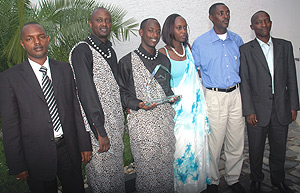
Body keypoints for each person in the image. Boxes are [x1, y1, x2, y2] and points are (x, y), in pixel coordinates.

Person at [0, 22, 92, 193]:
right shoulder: (10, 78)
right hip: (36, 154)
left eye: (41, 37)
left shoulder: (64, 69)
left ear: (47, 39)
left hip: (68, 148)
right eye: (30, 39)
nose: (37, 42)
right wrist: (17, 163)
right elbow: (10, 125)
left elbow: (75, 108)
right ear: (23, 44)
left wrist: (84, 144)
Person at [240, 11, 299, 193]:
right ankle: (256, 179)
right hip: (257, 110)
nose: (263, 25)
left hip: (281, 108)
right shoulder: (245, 50)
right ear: (252, 27)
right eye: (258, 22)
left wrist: (294, 105)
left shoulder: (285, 46)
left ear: (270, 23)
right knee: (256, 149)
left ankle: (278, 179)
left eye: (266, 21)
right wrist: (249, 110)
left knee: (279, 147)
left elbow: (292, 78)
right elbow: (245, 82)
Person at [69, 7, 125, 192]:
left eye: (107, 20)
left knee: (115, 180)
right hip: (98, 132)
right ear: (90, 23)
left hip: (115, 128)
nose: (104, 24)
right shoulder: (82, 51)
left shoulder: (110, 51)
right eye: (99, 20)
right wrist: (99, 131)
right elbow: (86, 93)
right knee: (102, 181)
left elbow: (113, 88)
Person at [191, 3, 246, 193]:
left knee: (236, 141)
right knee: (214, 143)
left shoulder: (237, 40)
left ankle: (233, 178)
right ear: (211, 17)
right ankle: (212, 181)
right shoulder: (201, 43)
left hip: (236, 95)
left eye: (227, 13)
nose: (225, 16)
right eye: (221, 13)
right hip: (214, 97)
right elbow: (192, 70)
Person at [118, 18, 177, 192]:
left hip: (165, 122)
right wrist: (138, 104)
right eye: (151, 31)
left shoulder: (164, 60)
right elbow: (121, 92)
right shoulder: (126, 62)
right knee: (148, 171)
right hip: (142, 124)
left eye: (158, 31)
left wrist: (171, 96)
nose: (155, 35)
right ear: (141, 32)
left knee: (166, 167)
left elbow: (166, 88)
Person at [159, 13, 211, 192]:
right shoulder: (163, 53)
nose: (183, 31)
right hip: (178, 115)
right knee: (182, 152)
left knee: (197, 149)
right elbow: (161, 86)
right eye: (179, 27)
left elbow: (195, 77)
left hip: (195, 113)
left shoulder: (187, 48)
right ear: (170, 30)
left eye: (185, 27)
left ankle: (197, 186)